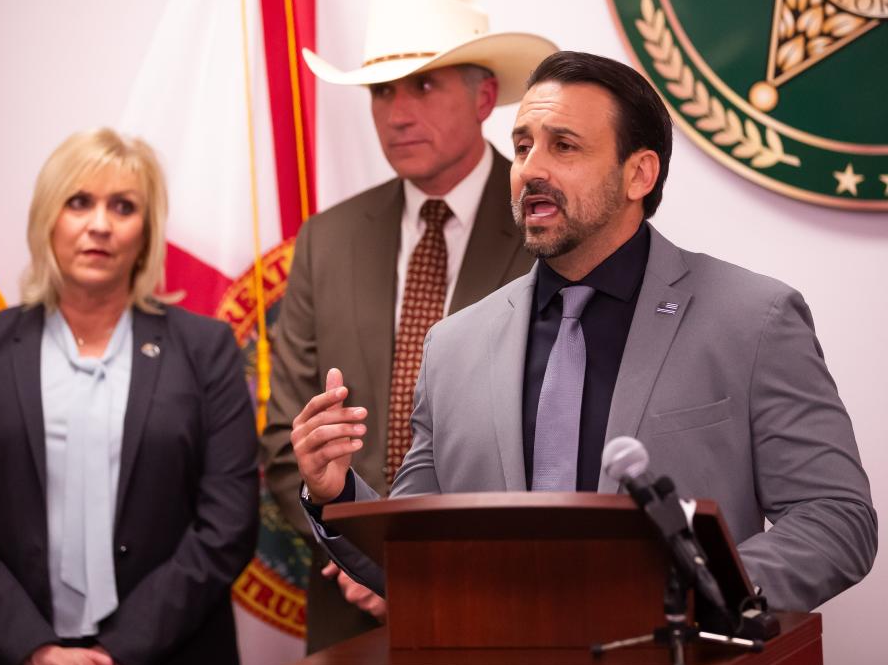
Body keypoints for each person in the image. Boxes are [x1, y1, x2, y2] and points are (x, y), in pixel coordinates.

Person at [290, 52, 877, 614]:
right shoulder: (453, 346)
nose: (530, 169)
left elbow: (834, 517)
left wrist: (697, 593)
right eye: (522, 147)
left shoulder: (754, 319)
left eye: (563, 146)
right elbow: (412, 551)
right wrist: (336, 491)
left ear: (639, 173)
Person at [260, 0, 556, 651]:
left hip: (508, 603)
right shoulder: (326, 239)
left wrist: (423, 566)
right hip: (348, 613)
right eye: (382, 90)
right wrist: (361, 556)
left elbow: (556, 436)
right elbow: (289, 440)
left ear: (485, 97)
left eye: (423, 85)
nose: (397, 111)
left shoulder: (551, 225)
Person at [0, 129, 259, 665]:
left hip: (172, 659)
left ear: (146, 231)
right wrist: (32, 650)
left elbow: (228, 522)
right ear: (48, 218)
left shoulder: (206, 349)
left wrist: (121, 652)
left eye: (123, 206)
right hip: (7, 662)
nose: (99, 224)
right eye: (79, 201)